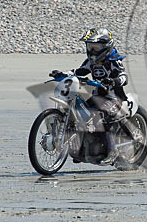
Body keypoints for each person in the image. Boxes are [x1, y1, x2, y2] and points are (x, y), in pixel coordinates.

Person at [50, 27, 128, 166]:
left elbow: (124, 77)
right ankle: (82, 147)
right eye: (90, 46)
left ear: (106, 46)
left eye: (96, 47)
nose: (92, 50)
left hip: (113, 98)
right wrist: (62, 74)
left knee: (102, 119)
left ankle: (112, 151)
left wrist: (114, 81)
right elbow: (78, 72)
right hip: (97, 96)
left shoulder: (114, 61)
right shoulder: (90, 62)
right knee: (81, 114)